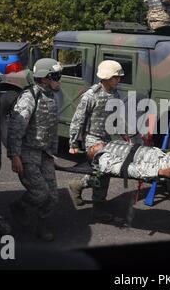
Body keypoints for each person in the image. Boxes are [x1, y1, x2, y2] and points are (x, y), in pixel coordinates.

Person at [6, 58, 62, 241]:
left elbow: (51, 127)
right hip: (27, 152)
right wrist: (15, 155)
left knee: (53, 196)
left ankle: (42, 225)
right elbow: (16, 127)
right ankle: (19, 206)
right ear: (44, 78)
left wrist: (52, 153)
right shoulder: (30, 97)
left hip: (44, 153)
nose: (59, 80)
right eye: (55, 76)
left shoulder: (50, 95)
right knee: (39, 192)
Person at [68, 60, 122, 221]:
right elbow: (78, 120)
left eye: (119, 77)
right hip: (92, 138)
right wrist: (73, 143)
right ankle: (98, 209)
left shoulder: (115, 93)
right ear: (106, 78)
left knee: (102, 172)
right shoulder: (91, 95)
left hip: (106, 138)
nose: (118, 80)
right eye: (115, 77)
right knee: (103, 172)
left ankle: (78, 184)